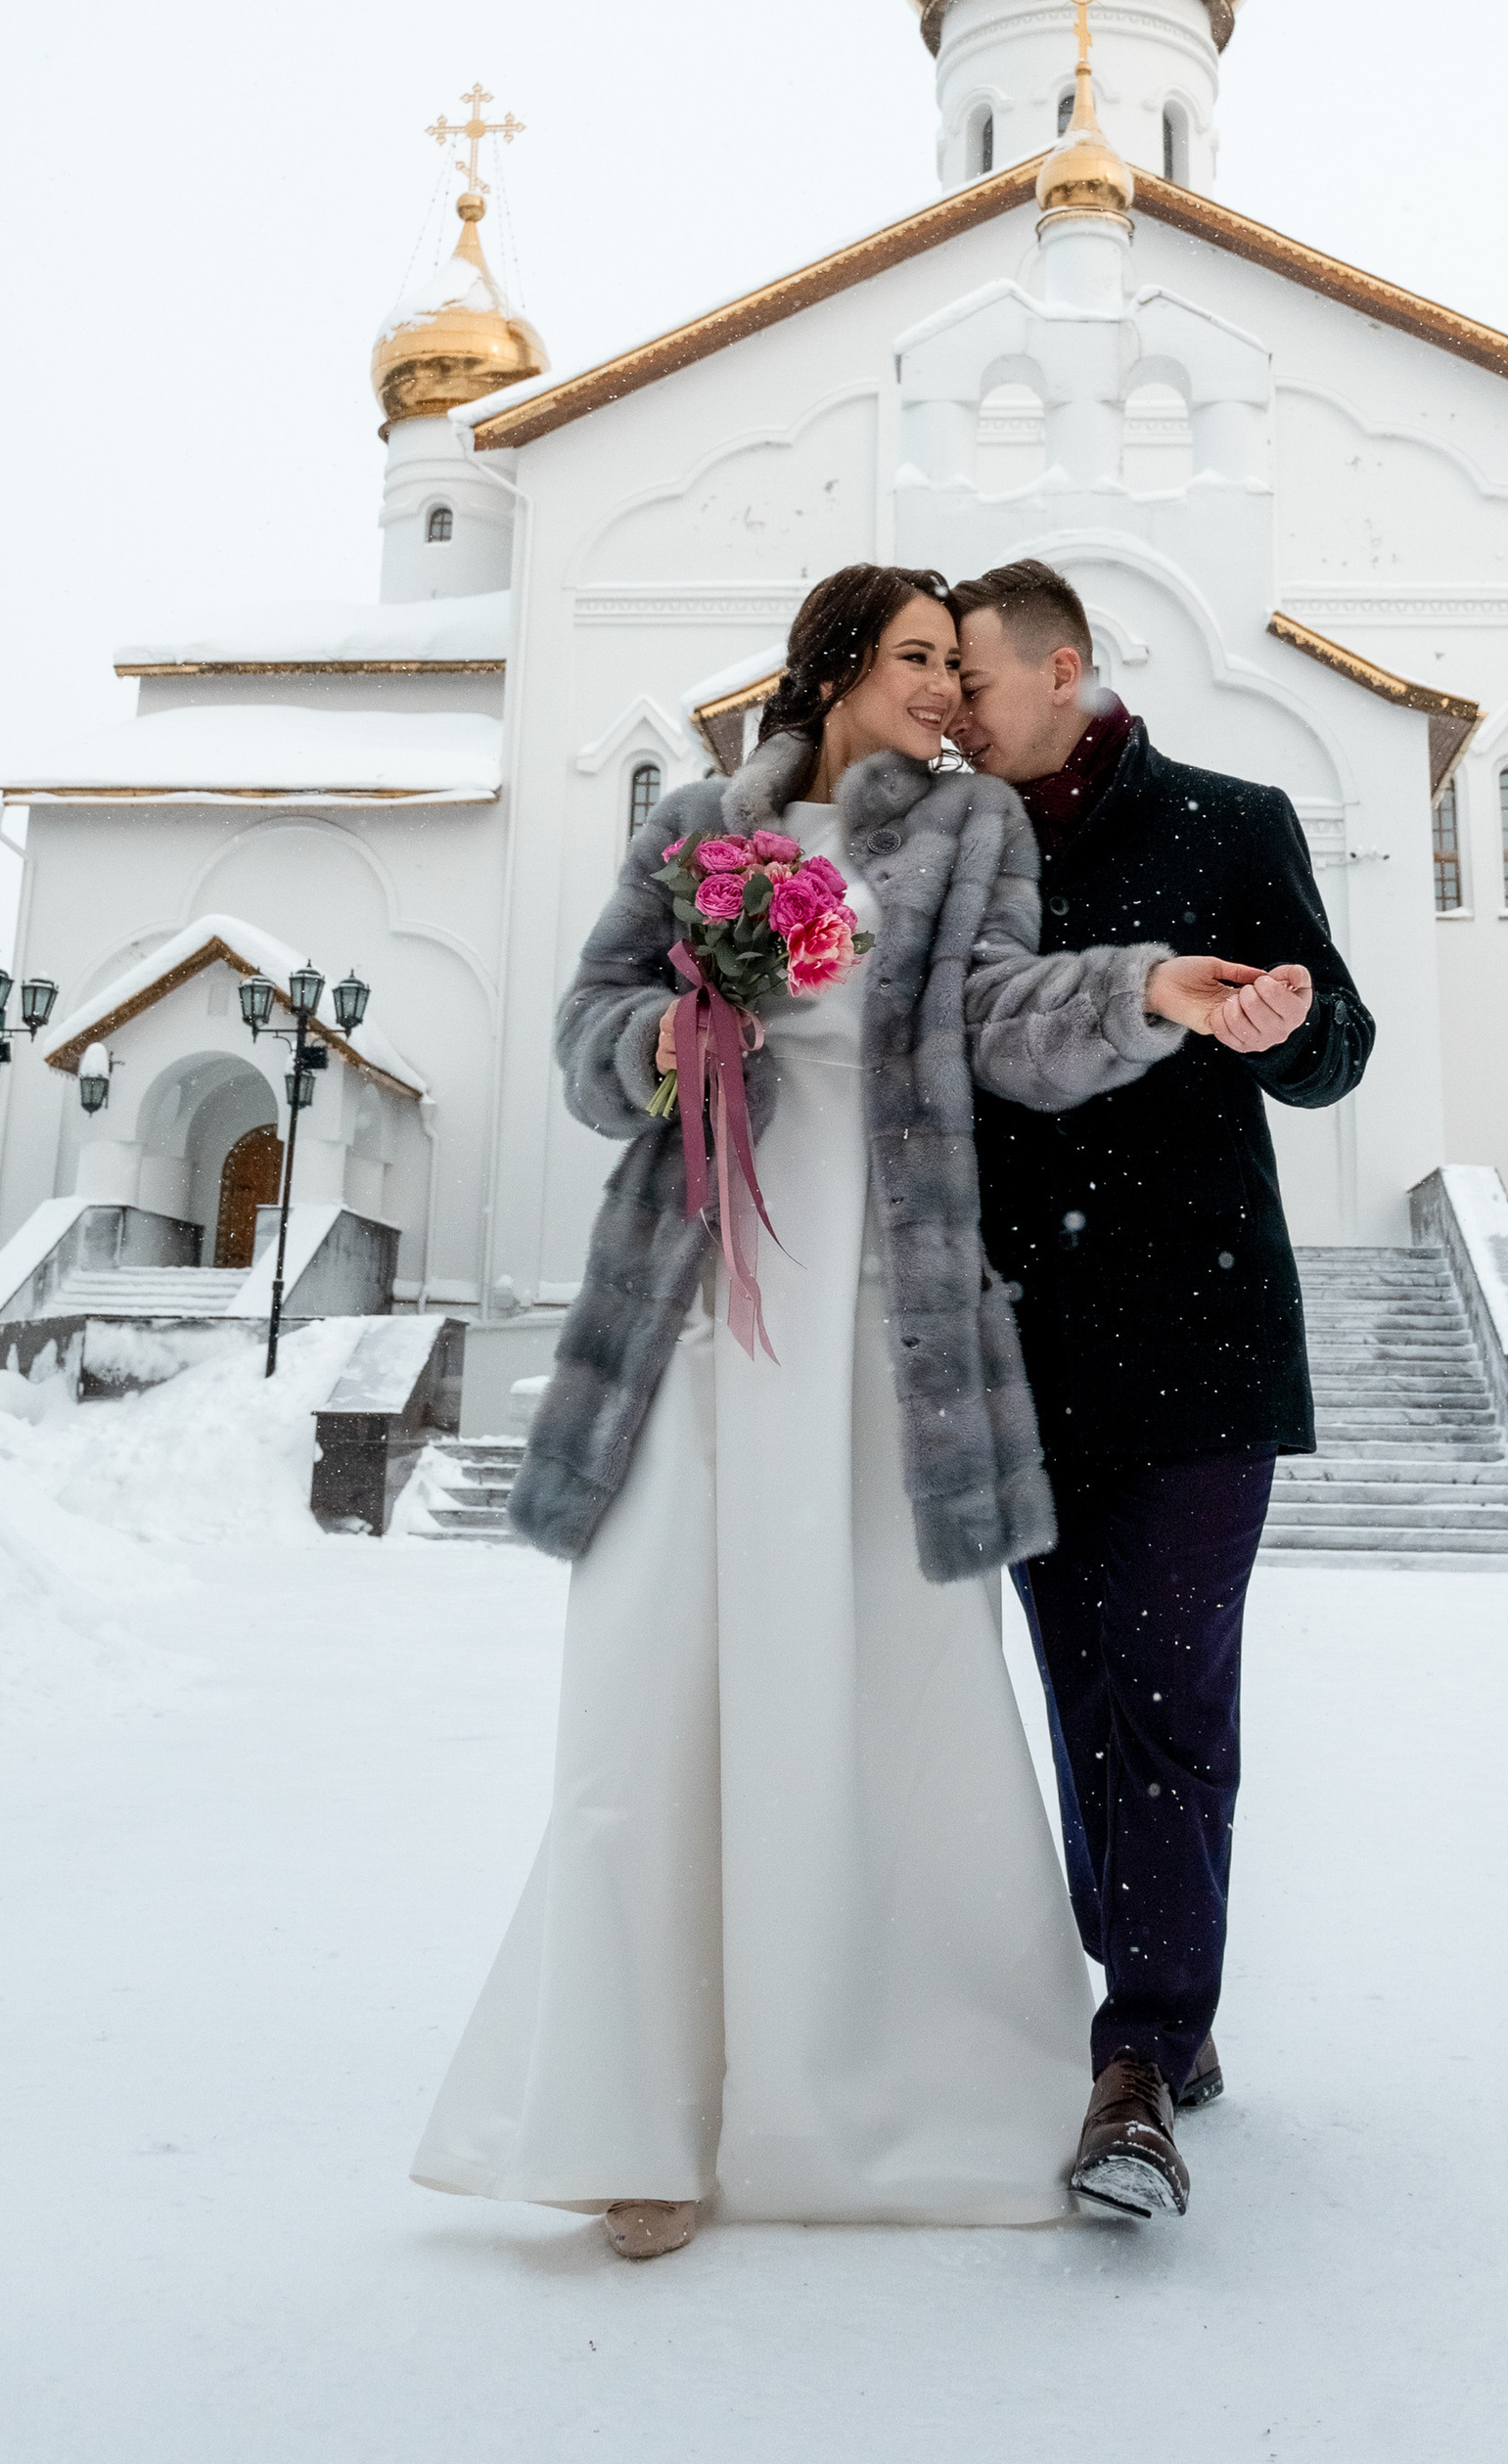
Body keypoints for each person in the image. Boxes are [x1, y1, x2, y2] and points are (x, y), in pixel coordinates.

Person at [411, 564, 1253, 2258]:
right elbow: (587, 1032)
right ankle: (631, 2123)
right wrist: (683, 1027)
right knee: (653, 1686)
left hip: (881, 1308)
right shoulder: (693, 833)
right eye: (921, 658)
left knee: (880, 1683)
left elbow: (1002, 1021)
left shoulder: (969, 840)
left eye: (961, 661)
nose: (950, 688)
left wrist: (1147, 990)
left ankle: (885, 2078)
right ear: (841, 668)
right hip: (698, 1299)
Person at [952, 558, 1375, 2224]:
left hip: (1198, 1340)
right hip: (1022, 1346)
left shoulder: (1230, 818)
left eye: (972, 684)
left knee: (1174, 1697)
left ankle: (1137, 2058)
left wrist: (1278, 1027)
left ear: (1062, 672)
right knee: (1082, 1700)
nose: (950, 715)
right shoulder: (949, 852)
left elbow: (1337, 1044)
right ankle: (1156, 2005)